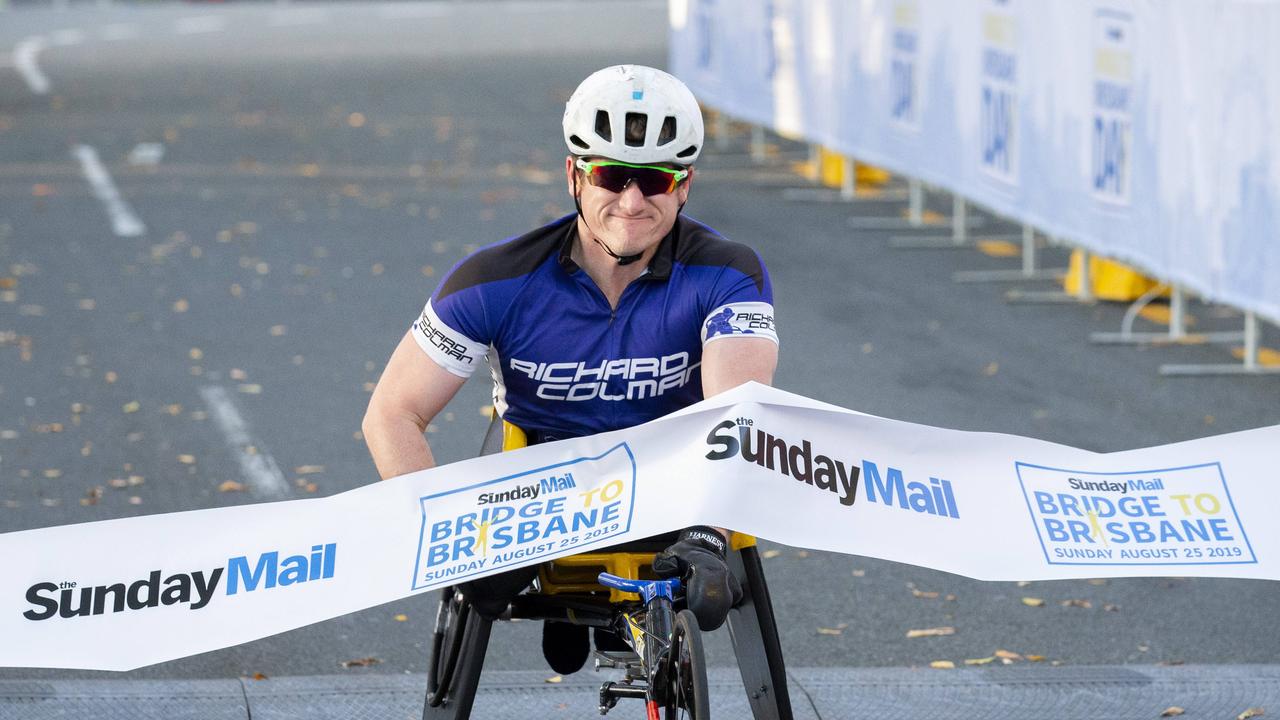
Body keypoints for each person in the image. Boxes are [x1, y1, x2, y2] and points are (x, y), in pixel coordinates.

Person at [362, 64, 778, 674]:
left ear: (684, 186)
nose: (632, 202)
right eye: (611, 176)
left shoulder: (729, 273)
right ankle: (569, 612)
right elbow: (392, 413)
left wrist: (711, 531)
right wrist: (448, 537)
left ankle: (603, 617)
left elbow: (738, 413)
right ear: (575, 176)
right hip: (540, 500)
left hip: (674, 487)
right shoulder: (494, 280)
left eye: (655, 181)